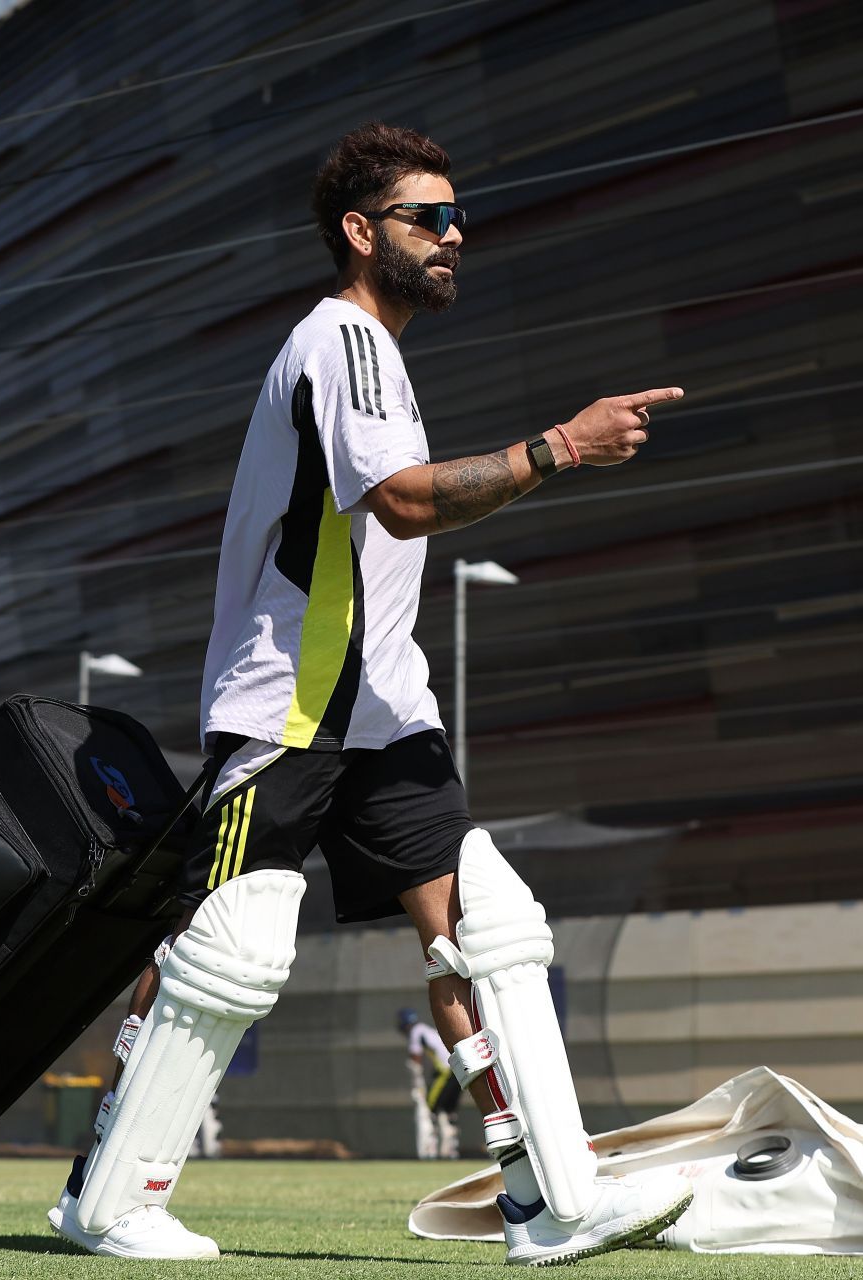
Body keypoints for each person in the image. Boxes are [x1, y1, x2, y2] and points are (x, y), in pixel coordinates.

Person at [47, 121, 691, 1266]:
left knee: (486, 932)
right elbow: (402, 501)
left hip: (385, 712)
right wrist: (566, 447)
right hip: (292, 709)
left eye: (455, 217)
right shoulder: (343, 340)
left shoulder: (378, 352)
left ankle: (550, 1196)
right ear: (360, 233)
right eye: (426, 218)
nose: (454, 235)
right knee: (222, 945)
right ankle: (105, 1197)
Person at [400, 1007, 459, 1159]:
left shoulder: (416, 1031)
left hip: (446, 1071)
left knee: (430, 1108)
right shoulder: (426, 1030)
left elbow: (415, 1058)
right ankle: (450, 1150)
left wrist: (417, 1082)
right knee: (448, 1110)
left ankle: (430, 1149)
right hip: (458, 1070)